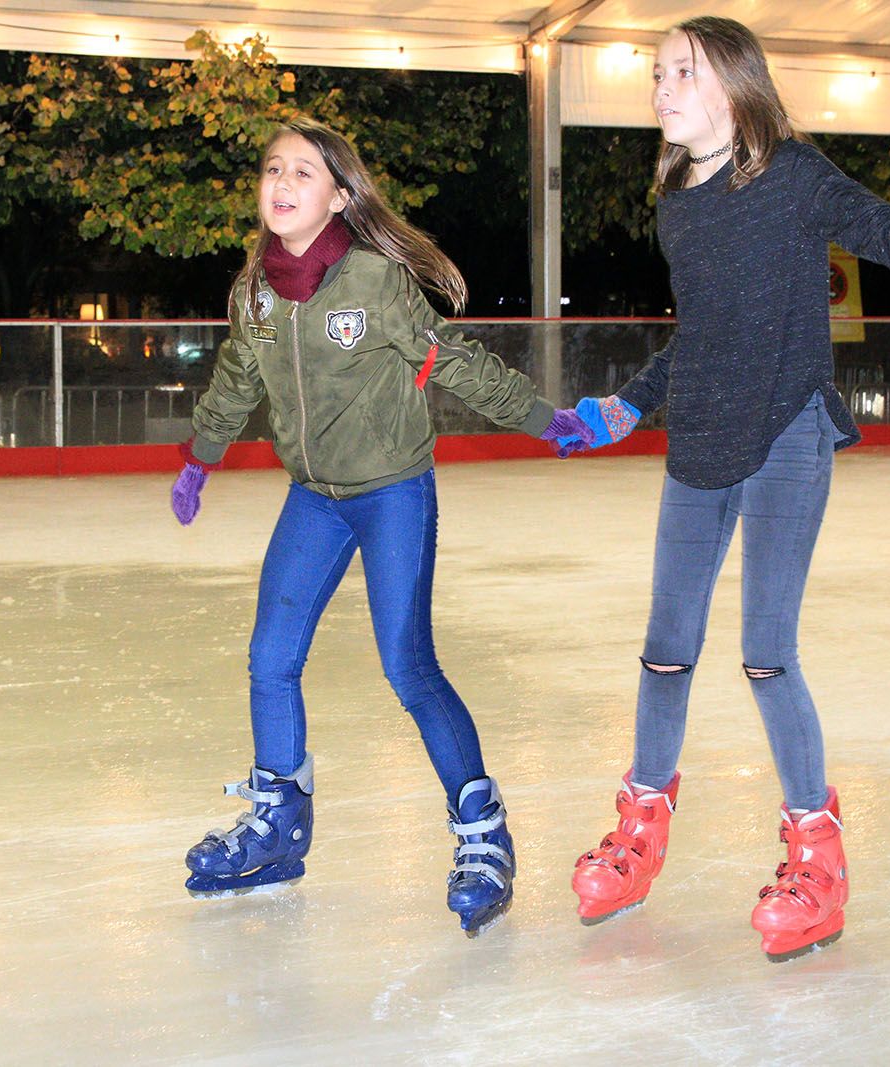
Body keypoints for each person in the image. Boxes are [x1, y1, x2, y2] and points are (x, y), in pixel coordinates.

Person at [565, 16, 890, 961]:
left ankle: (815, 855)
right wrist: (629, 405)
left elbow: (864, 219)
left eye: (680, 73)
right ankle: (640, 830)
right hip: (701, 429)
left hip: (789, 424)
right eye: (656, 74)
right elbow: (698, 335)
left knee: (765, 653)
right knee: (665, 649)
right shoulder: (676, 205)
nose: (659, 89)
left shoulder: (790, 172)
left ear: (735, 86)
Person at [170, 118, 592, 936]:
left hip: (393, 490)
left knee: (407, 663)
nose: (283, 183)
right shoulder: (254, 291)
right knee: (269, 658)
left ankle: (482, 832)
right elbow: (232, 379)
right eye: (272, 169)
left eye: (304, 171)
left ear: (338, 195)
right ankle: (279, 822)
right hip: (315, 497)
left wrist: (542, 418)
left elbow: (454, 362)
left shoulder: (373, 281)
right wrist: (201, 454)